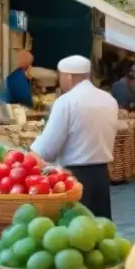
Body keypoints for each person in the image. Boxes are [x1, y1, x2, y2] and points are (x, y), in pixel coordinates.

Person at [30, 55, 119, 219]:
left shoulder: (66, 102)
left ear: (69, 76)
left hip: (74, 176)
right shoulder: (109, 100)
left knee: (77, 231)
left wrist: (33, 148)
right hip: (101, 175)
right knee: (100, 231)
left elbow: (48, 150)